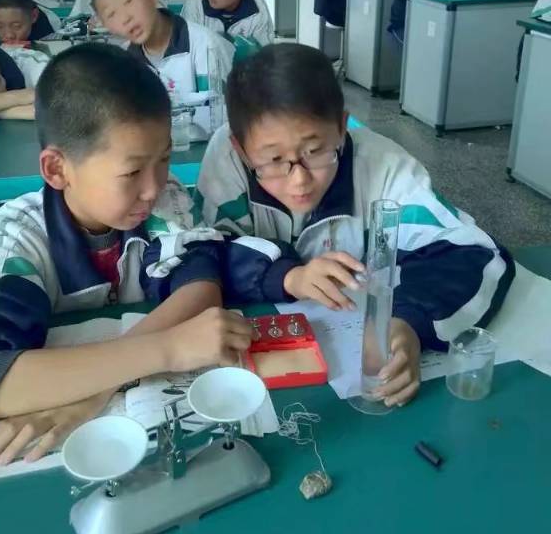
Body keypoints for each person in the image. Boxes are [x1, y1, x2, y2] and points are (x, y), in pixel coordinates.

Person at [0, 43, 250, 467]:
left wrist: (97, 390)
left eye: (164, 159)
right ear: (57, 169)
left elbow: (200, 286)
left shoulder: (164, 198)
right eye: (132, 171)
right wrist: (167, 349)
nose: (153, 186)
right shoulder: (13, 240)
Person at [196, 43, 515, 407]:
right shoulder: (228, 160)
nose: (299, 180)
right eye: (273, 160)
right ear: (241, 149)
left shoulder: (384, 167)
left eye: (316, 151)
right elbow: (205, 253)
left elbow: (470, 251)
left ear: (342, 127)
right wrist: (286, 276)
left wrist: (411, 322)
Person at [92, 0, 233, 102]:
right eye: (111, 14)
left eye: (128, 1)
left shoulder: (205, 46)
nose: (125, 18)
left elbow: (221, 110)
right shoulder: (125, 62)